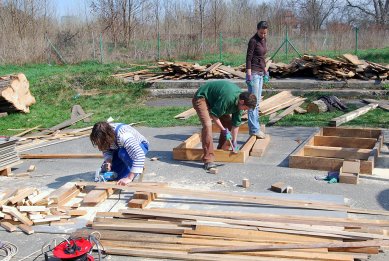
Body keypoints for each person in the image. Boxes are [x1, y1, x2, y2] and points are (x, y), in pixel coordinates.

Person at [192, 80, 257, 171]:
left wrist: (234, 141)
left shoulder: (239, 104)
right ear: (242, 102)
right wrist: (223, 129)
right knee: (208, 125)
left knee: (228, 123)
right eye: (245, 108)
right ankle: (208, 160)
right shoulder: (228, 99)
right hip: (202, 97)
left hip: (217, 101)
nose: (245, 110)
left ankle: (222, 151)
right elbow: (214, 115)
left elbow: (235, 124)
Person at [246, 20, 269, 139]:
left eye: (265, 33)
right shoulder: (253, 41)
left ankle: (256, 126)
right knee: (252, 103)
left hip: (260, 73)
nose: (263, 35)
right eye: (261, 33)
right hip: (253, 74)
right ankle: (254, 130)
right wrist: (249, 74)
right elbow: (249, 58)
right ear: (257, 30)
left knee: (257, 103)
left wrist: (265, 70)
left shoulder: (264, 40)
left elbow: (261, 57)